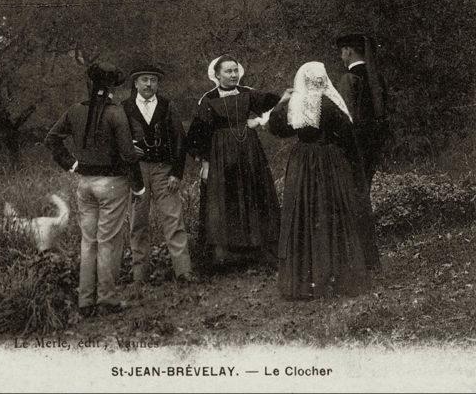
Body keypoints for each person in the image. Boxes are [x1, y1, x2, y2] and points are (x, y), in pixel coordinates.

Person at [268, 61, 375, 300]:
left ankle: (306, 279)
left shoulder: (294, 104)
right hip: (328, 162)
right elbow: (347, 134)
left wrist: (282, 101)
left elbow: (276, 128)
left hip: (302, 162)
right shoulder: (329, 103)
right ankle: (334, 274)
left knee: (304, 214)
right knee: (331, 213)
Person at [45, 61, 145, 317]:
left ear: (91, 83)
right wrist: (139, 186)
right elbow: (127, 154)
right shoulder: (115, 112)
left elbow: (51, 139)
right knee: (108, 242)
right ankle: (108, 299)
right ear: (112, 86)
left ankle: (86, 301)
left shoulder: (75, 110)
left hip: (84, 183)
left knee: (88, 243)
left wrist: (73, 164)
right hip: (112, 184)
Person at [186, 54, 281, 273]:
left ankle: (258, 252)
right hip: (221, 159)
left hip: (249, 154)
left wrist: (259, 121)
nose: (233, 75)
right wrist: (206, 164)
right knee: (225, 200)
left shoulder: (248, 93)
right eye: (228, 71)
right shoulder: (208, 99)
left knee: (253, 195)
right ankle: (227, 258)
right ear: (217, 75)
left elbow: (277, 103)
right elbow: (197, 136)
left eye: (235, 70)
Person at [122, 63, 193, 285]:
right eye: (144, 80)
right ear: (136, 83)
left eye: (153, 80)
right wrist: (128, 149)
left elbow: (180, 139)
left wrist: (176, 173)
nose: (149, 84)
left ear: (158, 84)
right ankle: (139, 277)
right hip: (137, 171)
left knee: (173, 219)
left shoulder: (167, 106)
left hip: (164, 170)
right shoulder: (125, 108)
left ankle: (184, 272)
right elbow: (116, 139)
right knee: (137, 223)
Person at [336, 31, 389, 192]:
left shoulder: (349, 79)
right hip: (374, 141)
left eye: (342, 52)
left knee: (353, 189)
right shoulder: (377, 78)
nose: (341, 56)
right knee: (364, 187)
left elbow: (344, 116)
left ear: (348, 51)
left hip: (355, 143)